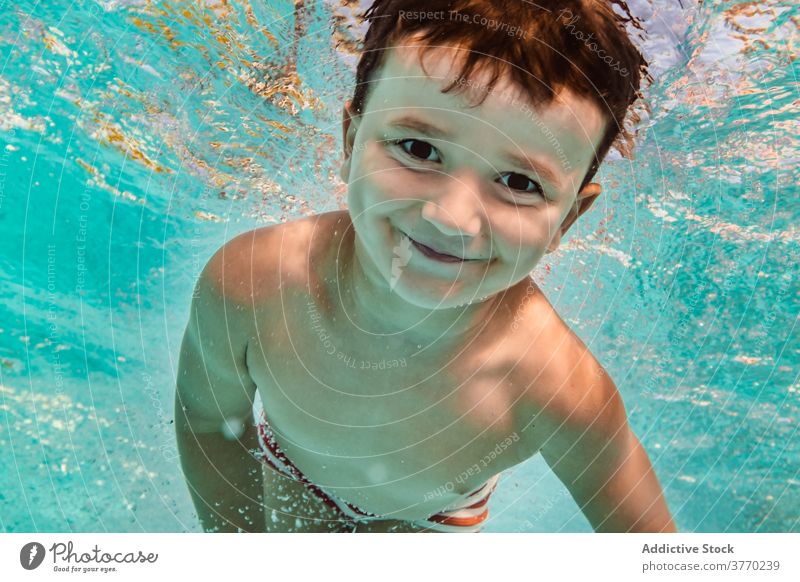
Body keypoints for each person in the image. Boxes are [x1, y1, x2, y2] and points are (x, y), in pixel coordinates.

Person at [175, 0, 676, 533]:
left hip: (433, 521)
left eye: (520, 183)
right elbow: (208, 426)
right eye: (418, 148)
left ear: (567, 220)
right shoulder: (253, 283)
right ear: (350, 142)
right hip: (289, 470)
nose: (452, 218)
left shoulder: (555, 389)